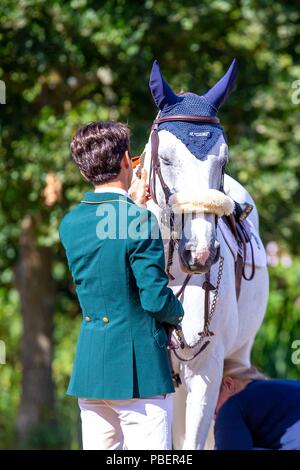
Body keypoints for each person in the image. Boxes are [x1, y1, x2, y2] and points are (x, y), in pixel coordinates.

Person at [59, 121, 184, 450]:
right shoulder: (138, 220)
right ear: (128, 160)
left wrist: (132, 206)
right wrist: (180, 313)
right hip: (139, 372)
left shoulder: (70, 223)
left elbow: (109, 246)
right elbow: (156, 301)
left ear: (86, 171)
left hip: (91, 371)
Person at [214, 366, 300, 450]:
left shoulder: (232, 406)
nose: (215, 418)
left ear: (229, 385)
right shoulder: (288, 386)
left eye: (213, 410)